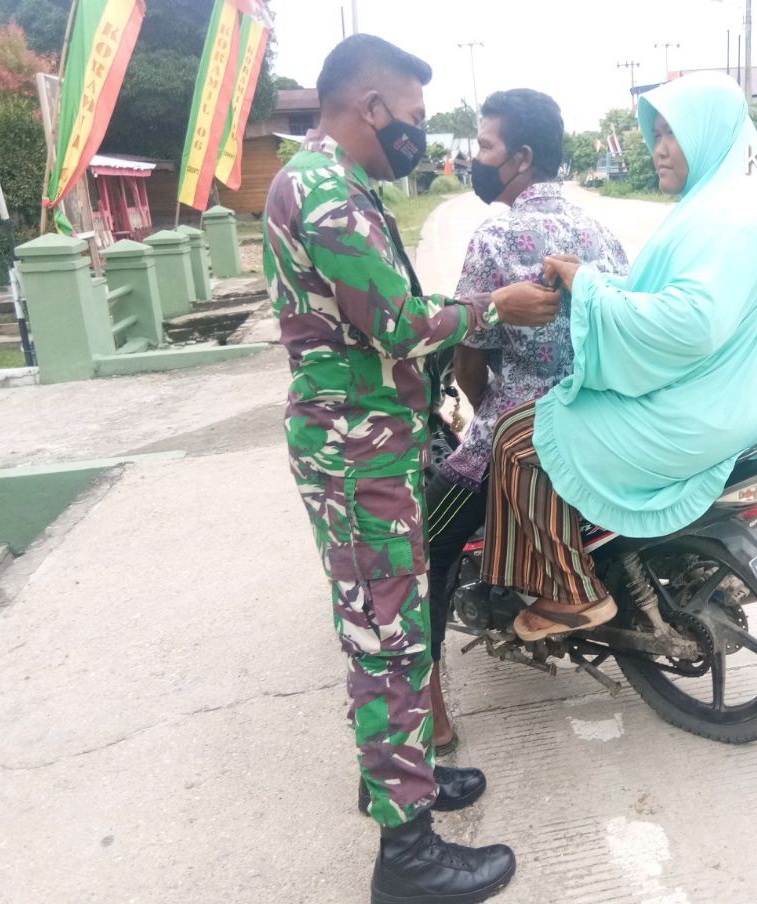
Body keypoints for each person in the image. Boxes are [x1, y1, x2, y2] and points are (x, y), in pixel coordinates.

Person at [263, 35, 560, 903]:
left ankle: (401, 774)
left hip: (370, 436)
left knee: (389, 615)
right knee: (386, 636)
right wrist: (489, 309)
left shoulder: (337, 183)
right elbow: (397, 325)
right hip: (354, 448)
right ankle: (410, 856)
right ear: (374, 108)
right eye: (418, 120)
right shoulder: (323, 190)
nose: (424, 139)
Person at [480, 71, 757, 639]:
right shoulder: (731, 204)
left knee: (518, 441)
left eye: (675, 133)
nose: (659, 148)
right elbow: (665, 297)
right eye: (657, 133)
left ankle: (572, 593)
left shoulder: (725, 221)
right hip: (729, 400)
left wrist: (592, 293)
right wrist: (588, 277)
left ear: (711, 135)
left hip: (698, 412)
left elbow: (690, 322)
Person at [424, 88, 628, 744]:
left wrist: (485, 415)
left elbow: (469, 357)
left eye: (484, 147)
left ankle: (427, 703)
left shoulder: (496, 236)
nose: (475, 159)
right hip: (600, 421)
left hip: (524, 426)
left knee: (426, 542)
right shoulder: (599, 230)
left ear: (521, 158)